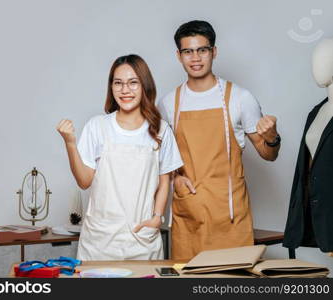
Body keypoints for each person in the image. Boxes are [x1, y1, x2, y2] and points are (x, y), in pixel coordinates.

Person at [158, 20, 281, 260]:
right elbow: (159, 159)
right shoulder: (167, 103)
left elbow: (268, 154)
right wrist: (176, 179)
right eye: (188, 51)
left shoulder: (240, 98)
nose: (195, 58)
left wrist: (272, 138)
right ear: (178, 55)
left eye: (202, 50)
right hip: (189, 218)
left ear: (214, 52)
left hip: (230, 218)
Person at [57, 54, 183, 260]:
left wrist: (157, 218)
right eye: (118, 83)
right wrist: (70, 143)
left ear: (145, 86)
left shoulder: (161, 130)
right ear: (111, 87)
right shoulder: (97, 126)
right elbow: (84, 181)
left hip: (142, 240)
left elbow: (165, 179)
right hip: (100, 242)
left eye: (133, 83)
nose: (125, 90)